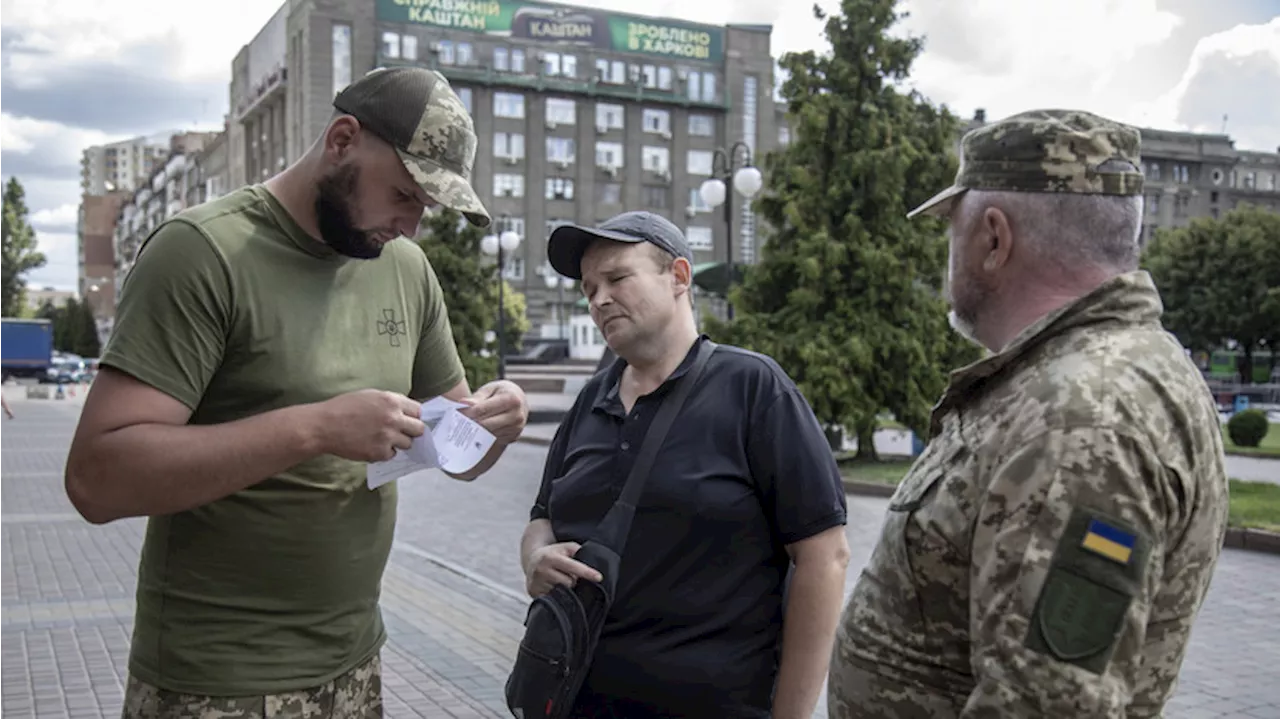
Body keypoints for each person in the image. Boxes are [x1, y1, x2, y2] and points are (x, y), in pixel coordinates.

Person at [63, 66, 529, 718]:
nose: (411, 224)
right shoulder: (203, 252)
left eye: (427, 207)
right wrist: (314, 429)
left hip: (355, 662)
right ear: (341, 139)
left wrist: (496, 424)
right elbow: (96, 478)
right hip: (218, 679)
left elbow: (460, 450)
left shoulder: (405, 269)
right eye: (403, 193)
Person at [828, 109, 1230, 718]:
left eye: (951, 229)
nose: (948, 252)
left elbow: (1047, 705)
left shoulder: (1082, 417)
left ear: (994, 237)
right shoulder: (1079, 380)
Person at [522, 211, 851, 719]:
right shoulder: (592, 400)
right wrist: (535, 557)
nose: (598, 299)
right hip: (576, 700)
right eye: (589, 289)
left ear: (678, 277)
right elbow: (541, 514)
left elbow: (824, 558)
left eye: (617, 278)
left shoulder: (753, 388)